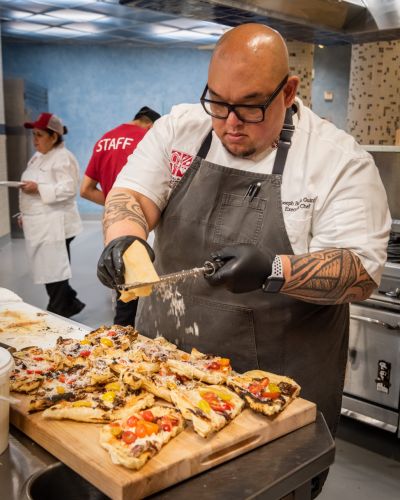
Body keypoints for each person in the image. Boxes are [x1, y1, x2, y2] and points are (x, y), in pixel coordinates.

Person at [96, 24, 391, 496]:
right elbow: (131, 195)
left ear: (288, 91)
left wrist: (276, 270)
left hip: (271, 400)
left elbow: (359, 273)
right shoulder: (181, 129)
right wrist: (123, 241)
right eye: (218, 102)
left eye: (251, 106)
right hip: (159, 381)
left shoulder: (337, 161)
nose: (231, 122)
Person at [80, 106, 161, 326]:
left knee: (118, 273)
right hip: (145, 221)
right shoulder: (150, 138)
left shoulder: (104, 139)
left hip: (113, 221)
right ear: (151, 125)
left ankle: (121, 325)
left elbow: (85, 189)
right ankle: (131, 332)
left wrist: (116, 206)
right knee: (144, 283)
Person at [19, 112, 85, 318]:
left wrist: (38, 187)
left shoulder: (63, 158)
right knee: (49, 267)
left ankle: (57, 311)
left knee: (54, 269)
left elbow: (68, 189)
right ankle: (69, 303)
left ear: (53, 137)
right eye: (33, 135)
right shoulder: (39, 157)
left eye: (39, 135)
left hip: (57, 223)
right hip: (41, 221)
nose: (34, 140)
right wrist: (24, 213)